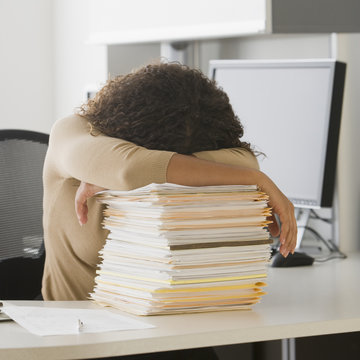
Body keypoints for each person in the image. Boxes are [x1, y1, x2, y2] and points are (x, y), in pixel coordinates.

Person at [43, 62, 297, 303]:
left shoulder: (177, 157)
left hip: (169, 325)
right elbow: (131, 170)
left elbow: (245, 161)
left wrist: (159, 173)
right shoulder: (71, 131)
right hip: (75, 335)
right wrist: (256, 180)